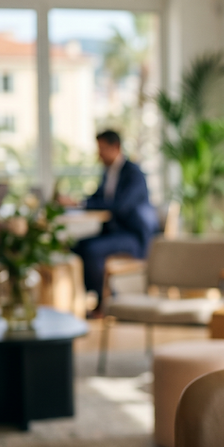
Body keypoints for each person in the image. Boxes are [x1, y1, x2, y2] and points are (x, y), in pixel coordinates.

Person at [68, 130, 157, 316]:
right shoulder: (108, 172)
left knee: (93, 250)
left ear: (115, 147)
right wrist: (76, 202)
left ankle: (103, 303)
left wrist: (83, 204)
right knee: (78, 246)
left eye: (101, 149)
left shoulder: (134, 174)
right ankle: (107, 297)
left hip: (133, 236)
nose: (98, 154)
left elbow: (119, 206)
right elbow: (98, 198)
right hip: (114, 233)